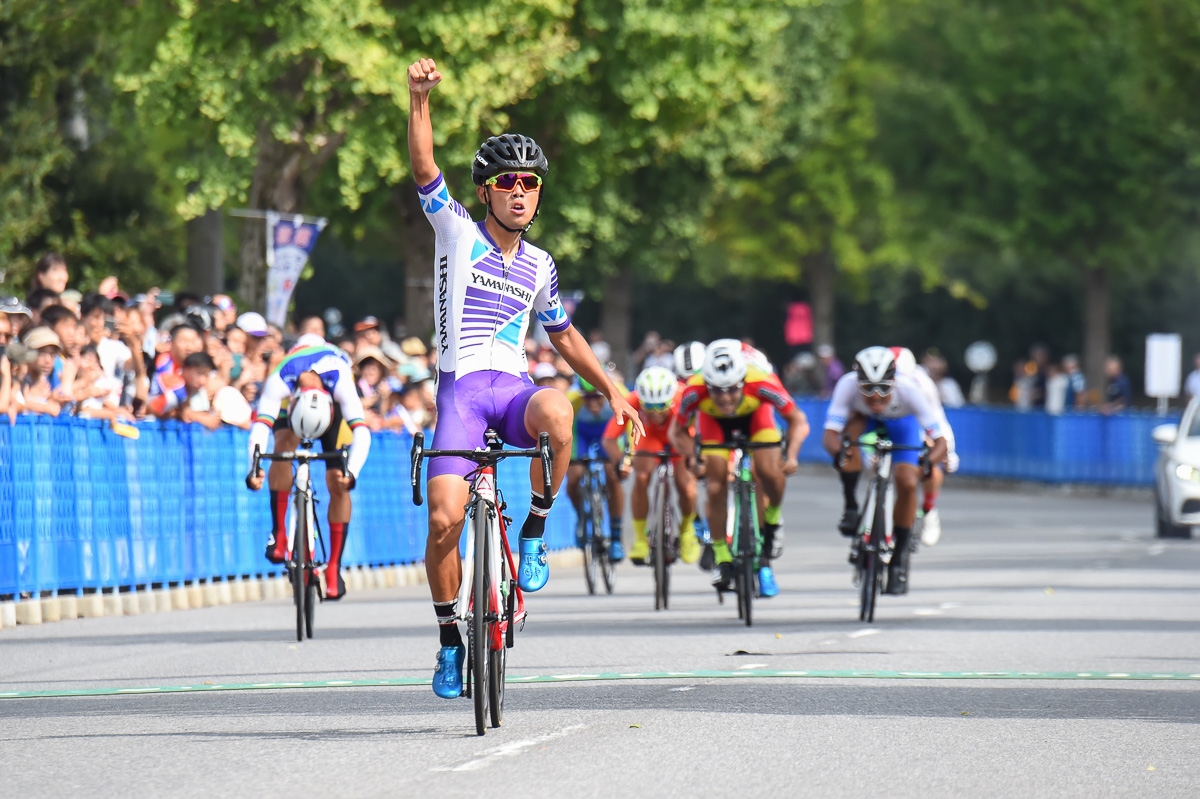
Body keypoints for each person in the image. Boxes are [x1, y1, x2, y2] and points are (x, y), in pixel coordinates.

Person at [407, 57, 642, 699]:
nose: (519, 190)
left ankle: (535, 529)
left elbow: (563, 335)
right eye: (507, 181)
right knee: (442, 524)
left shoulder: (541, 264)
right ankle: (450, 642)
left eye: (530, 182)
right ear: (487, 190)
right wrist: (419, 100)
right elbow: (425, 169)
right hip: (460, 397)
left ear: (538, 194)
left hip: (510, 393)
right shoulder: (455, 231)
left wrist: (613, 390)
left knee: (560, 412)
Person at [668, 339, 809, 597]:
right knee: (715, 483)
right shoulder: (694, 390)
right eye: (717, 390)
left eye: (732, 389)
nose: (725, 398)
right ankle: (722, 558)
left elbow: (798, 420)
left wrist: (792, 455)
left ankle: (773, 518)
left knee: (768, 472)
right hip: (713, 424)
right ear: (706, 382)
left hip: (756, 419)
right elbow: (676, 432)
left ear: (743, 382)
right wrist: (692, 457)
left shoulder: (762, 382)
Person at [245, 334, 372, 601]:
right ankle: (280, 532)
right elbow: (260, 427)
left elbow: (362, 432)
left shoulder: (340, 377)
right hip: (292, 404)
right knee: (282, 445)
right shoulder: (281, 378)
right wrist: (253, 467)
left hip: (333, 410)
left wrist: (353, 472)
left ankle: (334, 566)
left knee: (338, 479)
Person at [822, 347, 948, 594]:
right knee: (848, 442)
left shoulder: (910, 390)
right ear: (858, 382)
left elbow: (940, 441)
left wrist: (926, 462)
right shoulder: (847, 385)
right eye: (868, 389)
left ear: (894, 381)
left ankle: (899, 557)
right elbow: (830, 435)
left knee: (907, 481)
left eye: (883, 388)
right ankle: (850, 507)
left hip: (903, 424)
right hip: (864, 419)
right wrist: (840, 453)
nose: (876, 397)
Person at [604, 367, 701, 565]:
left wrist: (695, 456)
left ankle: (687, 530)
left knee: (686, 486)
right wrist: (620, 462)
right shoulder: (632, 400)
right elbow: (609, 439)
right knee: (641, 478)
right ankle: (640, 538)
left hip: (678, 436)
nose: (656, 412)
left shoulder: (684, 397)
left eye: (661, 406)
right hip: (649, 437)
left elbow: (701, 427)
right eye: (649, 407)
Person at [892, 347, 957, 546]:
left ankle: (929, 508)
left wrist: (949, 451)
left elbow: (937, 418)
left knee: (931, 465)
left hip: (918, 424)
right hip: (890, 423)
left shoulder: (922, 383)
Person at [148, 352, 221, 430]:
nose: (202, 381)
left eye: (206, 375)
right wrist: (200, 418)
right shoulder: (177, 386)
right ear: (185, 369)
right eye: (199, 373)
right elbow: (151, 408)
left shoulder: (198, 390)